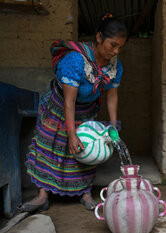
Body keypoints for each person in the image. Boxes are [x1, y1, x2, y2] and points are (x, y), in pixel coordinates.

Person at [19, 13, 127, 212]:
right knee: (52, 147)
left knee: (85, 148)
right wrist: (71, 134)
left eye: (121, 46)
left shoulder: (114, 65)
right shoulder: (76, 61)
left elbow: (112, 95)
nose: (116, 50)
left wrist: (113, 126)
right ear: (99, 38)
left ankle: (84, 193)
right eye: (113, 45)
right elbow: (69, 101)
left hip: (87, 110)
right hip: (59, 108)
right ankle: (42, 196)